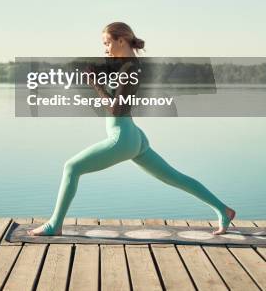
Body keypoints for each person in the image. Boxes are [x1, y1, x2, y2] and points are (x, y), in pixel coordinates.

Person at [28, 21, 235, 236]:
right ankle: (223, 210)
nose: (105, 48)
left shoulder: (130, 68)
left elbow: (117, 110)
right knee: (175, 178)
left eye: (107, 43)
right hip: (133, 136)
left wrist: (96, 85)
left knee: (72, 167)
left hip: (122, 139)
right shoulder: (127, 65)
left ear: (121, 40)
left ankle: (55, 225)